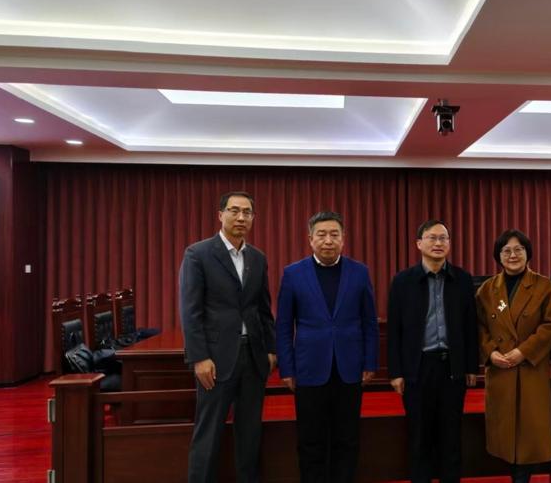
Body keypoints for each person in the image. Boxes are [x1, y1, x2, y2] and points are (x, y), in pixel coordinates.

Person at [179, 191, 277, 483]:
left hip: (253, 357)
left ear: (253, 218)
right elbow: (190, 311)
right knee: (208, 434)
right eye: (234, 211)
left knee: (250, 433)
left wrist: (270, 349)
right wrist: (199, 357)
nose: (241, 217)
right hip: (215, 360)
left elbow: (263, 308)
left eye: (247, 212)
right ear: (220, 215)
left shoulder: (257, 258)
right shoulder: (198, 254)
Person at [276, 211, 378, 483]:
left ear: (343, 239)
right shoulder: (293, 274)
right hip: (309, 368)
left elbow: (369, 322)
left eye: (334, 234)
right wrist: (287, 368)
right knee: (311, 439)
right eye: (321, 235)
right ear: (310, 239)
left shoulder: (359, 272)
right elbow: (284, 325)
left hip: (350, 367)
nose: (328, 240)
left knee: (347, 438)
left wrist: (370, 361)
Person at [386, 219, 478, 483]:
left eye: (443, 238)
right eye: (432, 238)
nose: (438, 243)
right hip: (418, 368)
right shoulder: (403, 281)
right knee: (419, 436)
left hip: (452, 368)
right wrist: (396, 372)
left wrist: (471, 366)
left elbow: (470, 326)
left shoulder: (462, 280)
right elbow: (394, 330)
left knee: (451, 436)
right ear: (419, 244)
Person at [476, 229, 551, 483]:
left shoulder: (544, 286)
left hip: (530, 370)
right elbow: (478, 326)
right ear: (498, 256)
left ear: (528, 253)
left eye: (518, 250)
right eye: (506, 251)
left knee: (528, 437)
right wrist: (491, 352)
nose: (513, 255)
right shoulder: (487, 290)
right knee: (505, 437)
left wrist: (523, 351)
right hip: (501, 371)